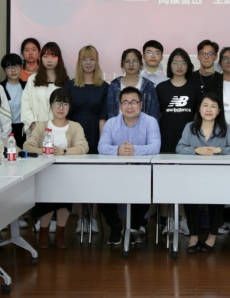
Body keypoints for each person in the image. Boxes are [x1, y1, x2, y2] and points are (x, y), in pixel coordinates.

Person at [175, 92, 230, 253]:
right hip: (193, 175)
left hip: (218, 175)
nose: (209, 109)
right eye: (205, 105)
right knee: (189, 196)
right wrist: (196, 150)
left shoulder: (225, 128)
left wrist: (220, 150)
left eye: (213, 106)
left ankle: (212, 235)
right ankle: (193, 236)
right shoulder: (190, 127)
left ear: (219, 111)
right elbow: (180, 147)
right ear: (199, 109)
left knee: (217, 196)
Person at [24, 89, 89, 249]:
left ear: (69, 107)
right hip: (45, 173)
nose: (61, 107)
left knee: (64, 198)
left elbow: (83, 147)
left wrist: (62, 151)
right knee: (47, 197)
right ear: (51, 105)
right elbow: (27, 146)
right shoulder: (42, 126)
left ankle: (60, 232)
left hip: (67, 174)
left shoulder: (75, 126)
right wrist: (45, 150)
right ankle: (44, 232)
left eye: (65, 104)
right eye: (57, 103)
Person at [97, 87, 161, 246]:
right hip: (115, 173)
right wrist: (118, 150)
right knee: (100, 189)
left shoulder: (150, 122)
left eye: (133, 102)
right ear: (120, 105)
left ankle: (133, 227)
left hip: (141, 172)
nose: (129, 106)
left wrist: (135, 150)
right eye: (125, 102)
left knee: (148, 187)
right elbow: (101, 147)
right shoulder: (111, 123)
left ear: (141, 104)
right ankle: (115, 227)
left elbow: (155, 147)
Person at [155, 47, 200, 236]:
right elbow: (156, 116)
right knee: (167, 182)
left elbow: (198, 116)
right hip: (166, 142)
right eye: (175, 62)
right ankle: (169, 220)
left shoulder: (195, 87)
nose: (179, 66)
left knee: (185, 183)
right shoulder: (161, 88)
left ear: (188, 66)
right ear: (169, 65)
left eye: (183, 63)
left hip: (188, 144)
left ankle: (183, 219)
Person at [65, 45, 109, 233]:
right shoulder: (70, 86)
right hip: (75, 136)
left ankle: (94, 218)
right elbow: (65, 115)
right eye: (85, 59)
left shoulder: (104, 87)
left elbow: (103, 116)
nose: (88, 63)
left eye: (92, 59)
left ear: (97, 61)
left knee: (95, 178)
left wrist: (102, 143)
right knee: (77, 178)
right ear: (79, 62)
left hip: (95, 133)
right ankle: (81, 218)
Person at [21, 41, 69, 136]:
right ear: (41, 58)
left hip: (59, 131)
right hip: (36, 130)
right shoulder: (33, 79)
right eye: (45, 56)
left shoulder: (65, 81)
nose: (49, 60)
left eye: (53, 56)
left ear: (59, 58)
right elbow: (25, 104)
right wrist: (33, 125)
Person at [107, 48, 159, 120]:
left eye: (135, 61)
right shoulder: (114, 85)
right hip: (118, 126)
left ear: (141, 65)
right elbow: (110, 112)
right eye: (127, 61)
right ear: (122, 64)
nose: (131, 64)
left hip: (143, 126)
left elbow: (154, 113)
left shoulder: (148, 86)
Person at [0, 53, 26, 148]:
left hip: (23, 129)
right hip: (5, 129)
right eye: (9, 67)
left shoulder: (26, 87)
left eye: (16, 67)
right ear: (4, 70)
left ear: (21, 67)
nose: (13, 70)